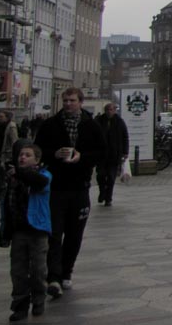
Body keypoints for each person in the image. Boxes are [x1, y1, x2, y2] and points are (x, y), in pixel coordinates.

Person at [34, 87, 105, 298]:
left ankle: (67, 271)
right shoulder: (50, 125)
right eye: (65, 101)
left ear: (80, 102)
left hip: (80, 187)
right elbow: (38, 150)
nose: (67, 104)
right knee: (54, 234)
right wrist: (53, 154)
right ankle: (53, 277)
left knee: (74, 234)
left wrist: (81, 158)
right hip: (55, 188)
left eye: (72, 100)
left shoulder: (91, 126)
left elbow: (102, 152)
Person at [0, 141, 52, 321]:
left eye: (27, 155)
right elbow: (7, 207)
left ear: (37, 160)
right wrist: (5, 233)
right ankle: (20, 305)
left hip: (38, 230)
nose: (22, 157)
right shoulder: (13, 179)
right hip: (19, 232)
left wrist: (19, 173)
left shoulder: (43, 174)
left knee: (38, 269)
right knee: (18, 271)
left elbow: (39, 183)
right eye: (21, 155)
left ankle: (39, 298)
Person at [94, 103, 129, 207]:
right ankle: (102, 192)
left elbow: (125, 137)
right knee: (100, 175)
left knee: (111, 177)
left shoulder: (119, 122)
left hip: (114, 154)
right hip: (101, 154)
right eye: (108, 110)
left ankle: (108, 198)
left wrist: (125, 151)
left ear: (115, 110)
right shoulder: (99, 121)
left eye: (111, 110)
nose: (109, 112)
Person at [0, 110, 19, 194]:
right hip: (1, 153)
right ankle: (2, 187)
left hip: (7, 155)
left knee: (5, 172)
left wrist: (11, 152)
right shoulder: (1, 125)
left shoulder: (11, 126)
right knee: (0, 171)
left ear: (7, 117)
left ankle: (5, 189)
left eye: (1, 116)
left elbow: (14, 141)